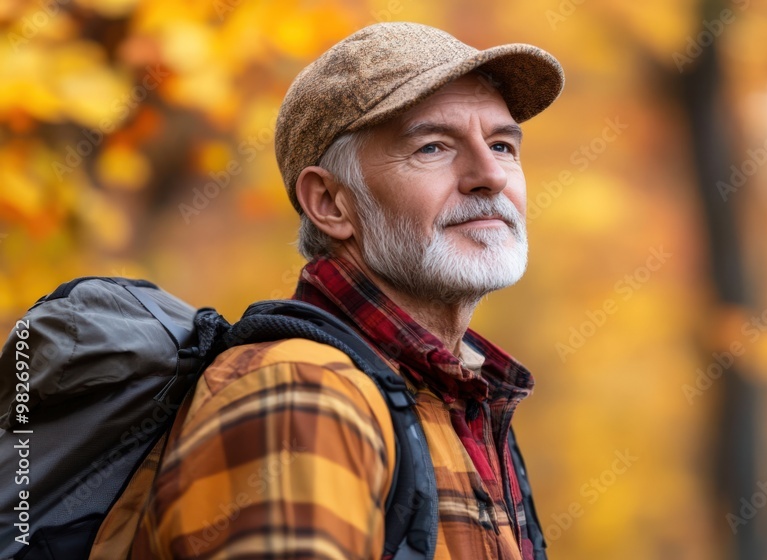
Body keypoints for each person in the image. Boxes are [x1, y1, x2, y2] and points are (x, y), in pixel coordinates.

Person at [131, 21, 563, 559]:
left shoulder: (458, 401)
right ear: (331, 204)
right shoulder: (299, 395)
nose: (490, 175)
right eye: (432, 147)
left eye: (502, 145)